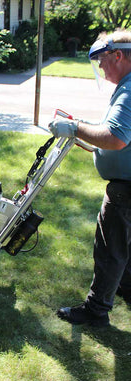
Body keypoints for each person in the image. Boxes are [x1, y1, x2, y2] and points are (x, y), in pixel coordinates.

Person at [49, 29, 131, 327]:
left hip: (126, 189)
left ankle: (96, 311)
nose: (101, 68)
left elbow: (116, 137)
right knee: (126, 243)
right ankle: (126, 288)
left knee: (109, 248)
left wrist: (74, 128)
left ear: (118, 55)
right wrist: (84, 135)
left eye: (102, 61)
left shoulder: (129, 89)